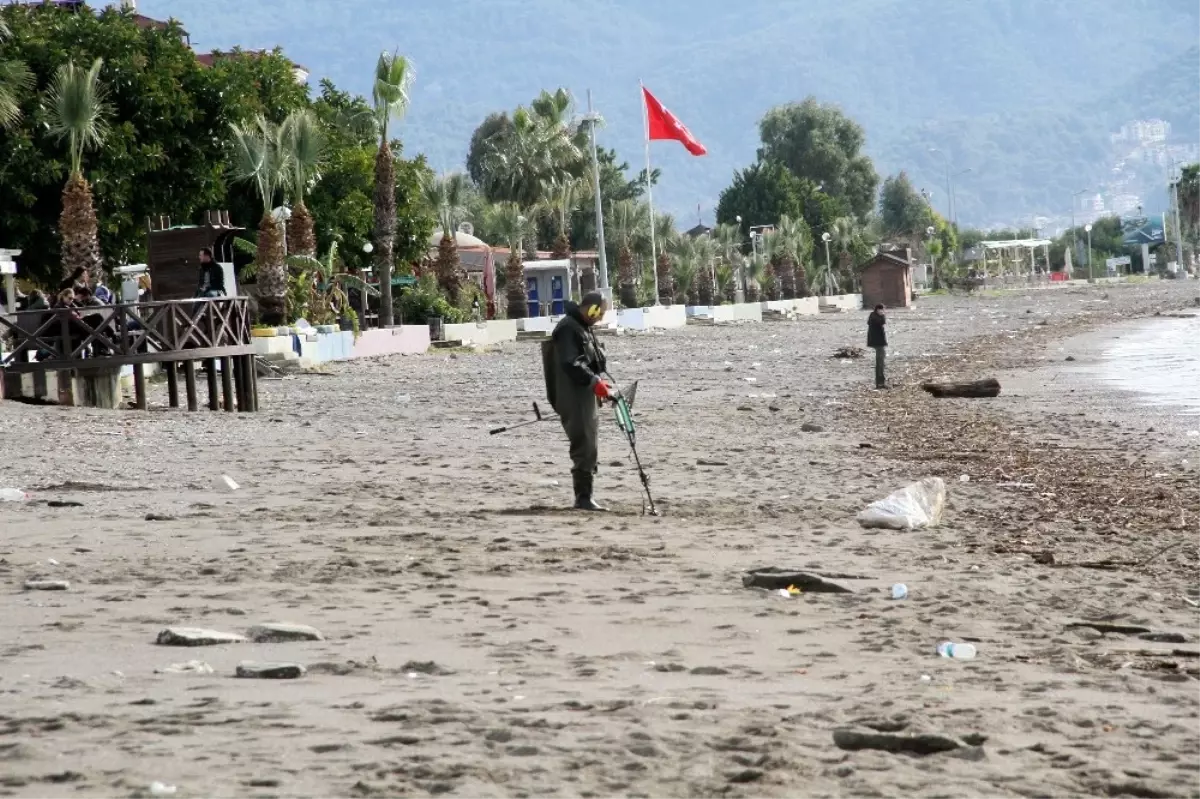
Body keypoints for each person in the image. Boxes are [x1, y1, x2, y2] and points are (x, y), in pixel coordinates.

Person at [542, 291, 612, 511]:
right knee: (584, 443)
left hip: (584, 393)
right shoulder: (568, 328)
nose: (600, 317)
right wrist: (593, 382)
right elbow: (571, 363)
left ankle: (585, 496)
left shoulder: (582, 328)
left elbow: (592, 360)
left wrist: (598, 382)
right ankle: (583, 498)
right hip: (573, 395)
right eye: (599, 312)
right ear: (590, 308)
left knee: (589, 441)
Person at [867, 303, 887, 389]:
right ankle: (880, 383)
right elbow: (882, 322)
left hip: (878, 342)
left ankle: (880, 383)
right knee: (880, 363)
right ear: (877, 310)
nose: (882, 312)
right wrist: (883, 316)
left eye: (883, 310)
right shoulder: (875, 318)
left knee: (880, 363)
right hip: (878, 343)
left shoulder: (873, 316)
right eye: (881, 310)